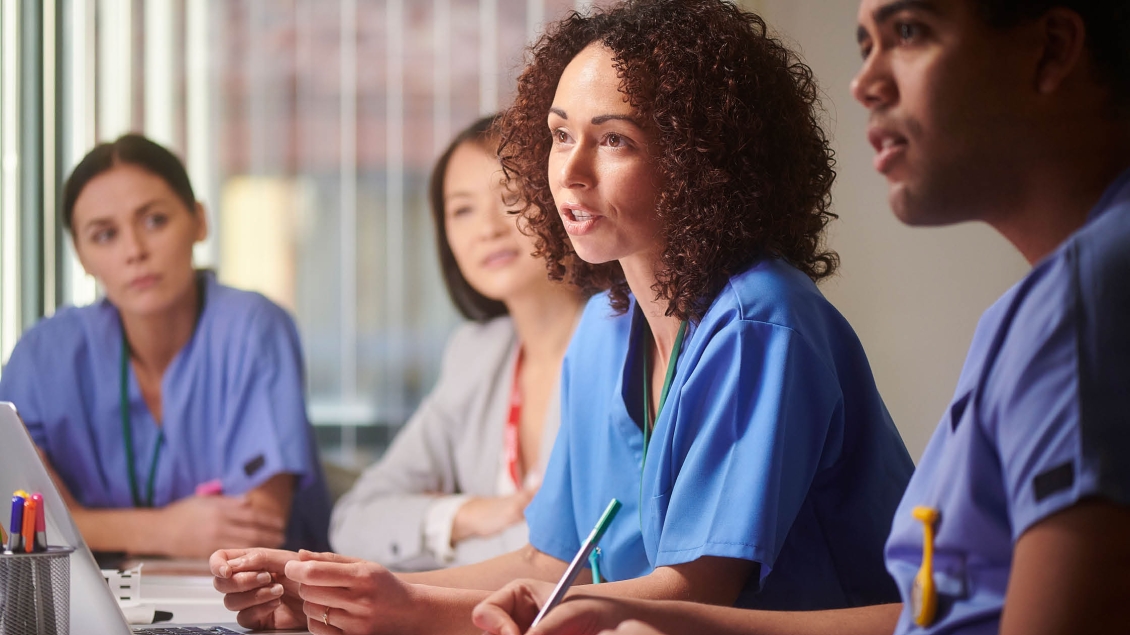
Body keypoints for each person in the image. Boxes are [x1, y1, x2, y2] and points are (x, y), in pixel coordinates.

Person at [209, 1, 912, 632]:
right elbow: (552, 564)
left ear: (703, 162)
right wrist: (348, 598)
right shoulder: (606, 327)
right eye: (558, 134)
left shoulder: (761, 321)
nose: (568, 172)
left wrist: (412, 610)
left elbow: (696, 592)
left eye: (613, 140)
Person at [475, 0, 1130, 633]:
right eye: (560, 135)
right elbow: (935, 615)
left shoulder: (1088, 302)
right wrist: (628, 614)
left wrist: (640, 614)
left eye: (909, 30)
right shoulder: (1035, 309)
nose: (865, 83)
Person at [0, 133, 331, 558]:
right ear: (81, 255)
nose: (135, 251)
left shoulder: (254, 329)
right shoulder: (43, 356)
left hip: (255, 608)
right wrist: (164, 532)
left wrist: (84, 522)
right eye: (104, 235)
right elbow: (19, 520)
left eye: (155, 220)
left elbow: (254, 534)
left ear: (198, 221)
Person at [329, 114, 586, 569]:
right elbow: (354, 521)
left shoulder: (621, 339)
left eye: (513, 198)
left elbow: (578, 558)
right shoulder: (477, 353)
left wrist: (445, 554)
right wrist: (465, 514)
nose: (487, 228)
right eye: (462, 209)